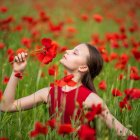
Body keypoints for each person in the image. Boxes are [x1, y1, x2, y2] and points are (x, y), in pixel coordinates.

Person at [0, 43, 136, 137]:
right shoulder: (48, 93)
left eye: (75, 52)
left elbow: (121, 131)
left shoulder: (92, 99)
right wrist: (16, 72)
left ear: (83, 67)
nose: (67, 50)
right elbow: (6, 106)